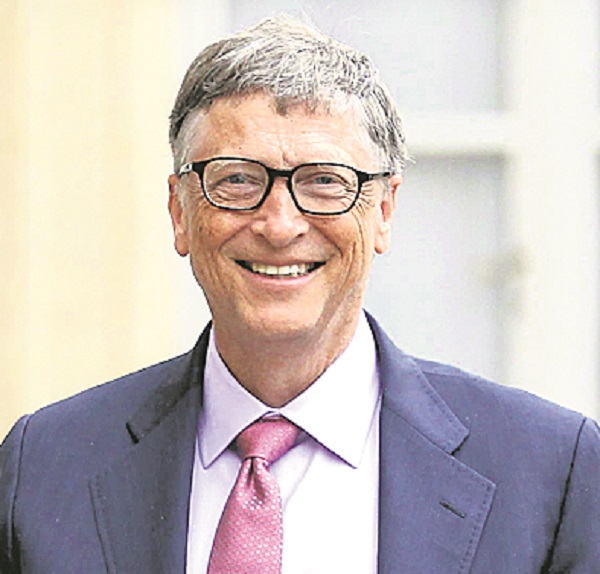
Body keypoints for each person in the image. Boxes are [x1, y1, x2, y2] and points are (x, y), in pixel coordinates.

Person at [1, 15, 599, 574]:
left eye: (324, 181)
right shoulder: (42, 469)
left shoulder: (549, 471)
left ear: (384, 211)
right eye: (237, 180)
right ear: (179, 212)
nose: (281, 225)